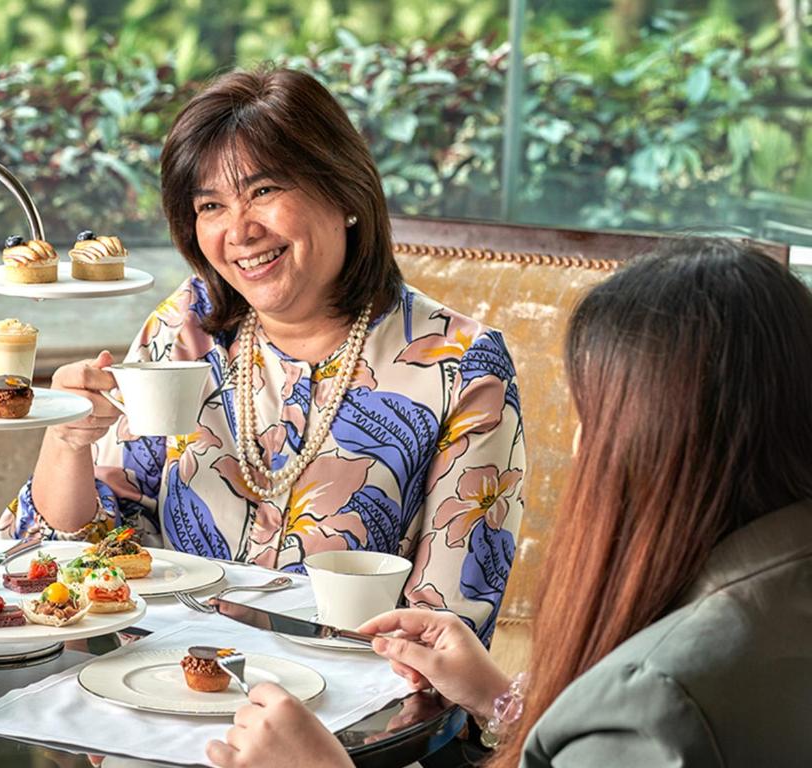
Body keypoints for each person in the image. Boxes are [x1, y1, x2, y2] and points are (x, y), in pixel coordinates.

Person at [205, 239, 812, 768]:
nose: (578, 442)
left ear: (661, 439)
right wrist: (500, 699)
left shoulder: (649, 704)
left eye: (591, 414)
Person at [0, 68, 527, 641]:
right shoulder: (185, 328)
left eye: (264, 191)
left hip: (352, 689)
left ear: (344, 192)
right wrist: (67, 441)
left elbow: (446, 633)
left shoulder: (462, 369)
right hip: (159, 674)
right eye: (211, 205)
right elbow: (76, 561)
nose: (239, 231)